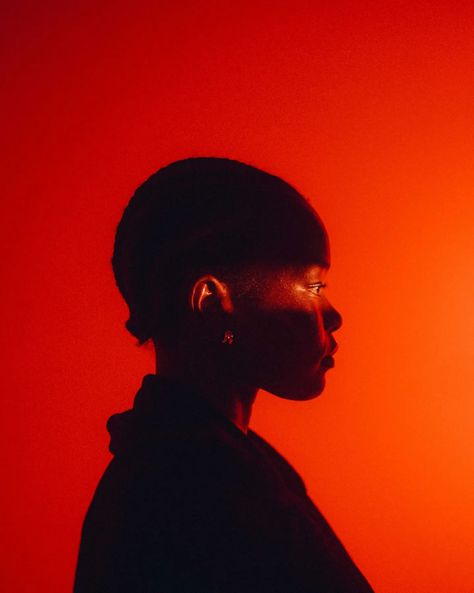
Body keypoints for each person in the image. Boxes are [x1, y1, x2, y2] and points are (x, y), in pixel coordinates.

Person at [73, 157, 375, 592]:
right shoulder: (200, 498)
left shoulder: (215, 468)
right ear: (211, 304)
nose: (334, 315)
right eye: (313, 286)